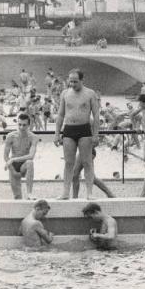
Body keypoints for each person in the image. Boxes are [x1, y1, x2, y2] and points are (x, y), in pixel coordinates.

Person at [54, 69, 100, 200]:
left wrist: (96, 134)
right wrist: (57, 133)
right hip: (69, 129)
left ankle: (89, 193)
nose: (72, 84)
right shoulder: (65, 93)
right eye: (70, 81)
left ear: (81, 80)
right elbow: (61, 114)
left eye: (75, 81)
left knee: (87, 162)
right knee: (68, 162)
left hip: (84, 129)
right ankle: (65, 192)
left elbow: (96, 115)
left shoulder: (90, 94)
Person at [3, 113, 38, 200]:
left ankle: (29, 193)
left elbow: (31, 156)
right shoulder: (10, 136)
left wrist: (13, 159)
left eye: (24, 125)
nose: (22, 127)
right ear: (17, 124)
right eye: (20, 124)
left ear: (29, 125)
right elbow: (5, 156)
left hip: (24, 165)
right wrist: (13, 171)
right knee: (17, 197)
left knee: (30, 163)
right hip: (13, 166)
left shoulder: (33, 137)